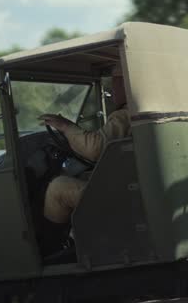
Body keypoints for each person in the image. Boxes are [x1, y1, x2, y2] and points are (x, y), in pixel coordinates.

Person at [39, 65, 131, 225]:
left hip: (125, 192)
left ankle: (56, 244)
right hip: (129, 184)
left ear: (128, 84)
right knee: (84, 176)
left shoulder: (126, 115)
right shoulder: (137, 112)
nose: (113, 89)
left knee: (57, 188)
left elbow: (94, 148)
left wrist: (65, 126)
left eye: (117, 82)